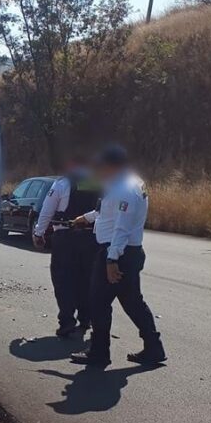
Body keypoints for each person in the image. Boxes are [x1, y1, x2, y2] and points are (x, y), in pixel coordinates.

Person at [69, 145, 167, 367]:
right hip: (125, 252)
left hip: (118, 253)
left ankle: (99, 353)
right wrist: (85, 218)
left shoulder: (125, 189)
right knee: (133, 302)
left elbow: (122, 228)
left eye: (101, 166)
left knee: (98, 302)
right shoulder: (122, 183)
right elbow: (107, 213)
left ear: (112, 166)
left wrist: (111, 260)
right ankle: (154, 347)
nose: (98, 170)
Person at [32, 155, 100, 337]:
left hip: (65, 238)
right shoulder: (96, 183)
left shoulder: (62, 184)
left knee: (64, 281)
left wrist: (39, 233)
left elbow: (47, 210)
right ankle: (86, 319)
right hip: (90, 238)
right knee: (86, 280)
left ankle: (67, 322)